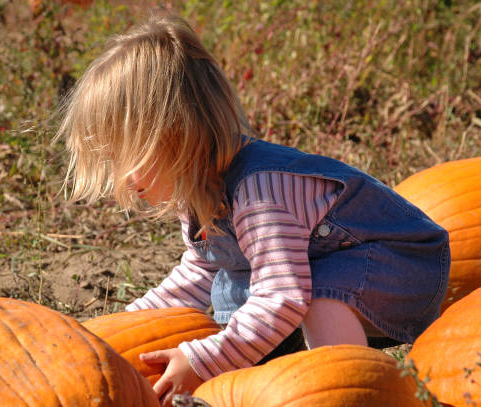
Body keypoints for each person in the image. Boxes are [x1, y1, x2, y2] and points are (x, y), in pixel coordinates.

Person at [55, 14, 450, 406]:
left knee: (312, 299)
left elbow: (283, 298)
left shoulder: (261, 192)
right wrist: (115, 329)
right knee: (231, 293)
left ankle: (351, 392)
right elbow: (195, 276)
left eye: (127, 158)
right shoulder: (197, 193)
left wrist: (200, 359)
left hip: (401, 265)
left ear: (175, 136)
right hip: (321, 273)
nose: (123, 180)